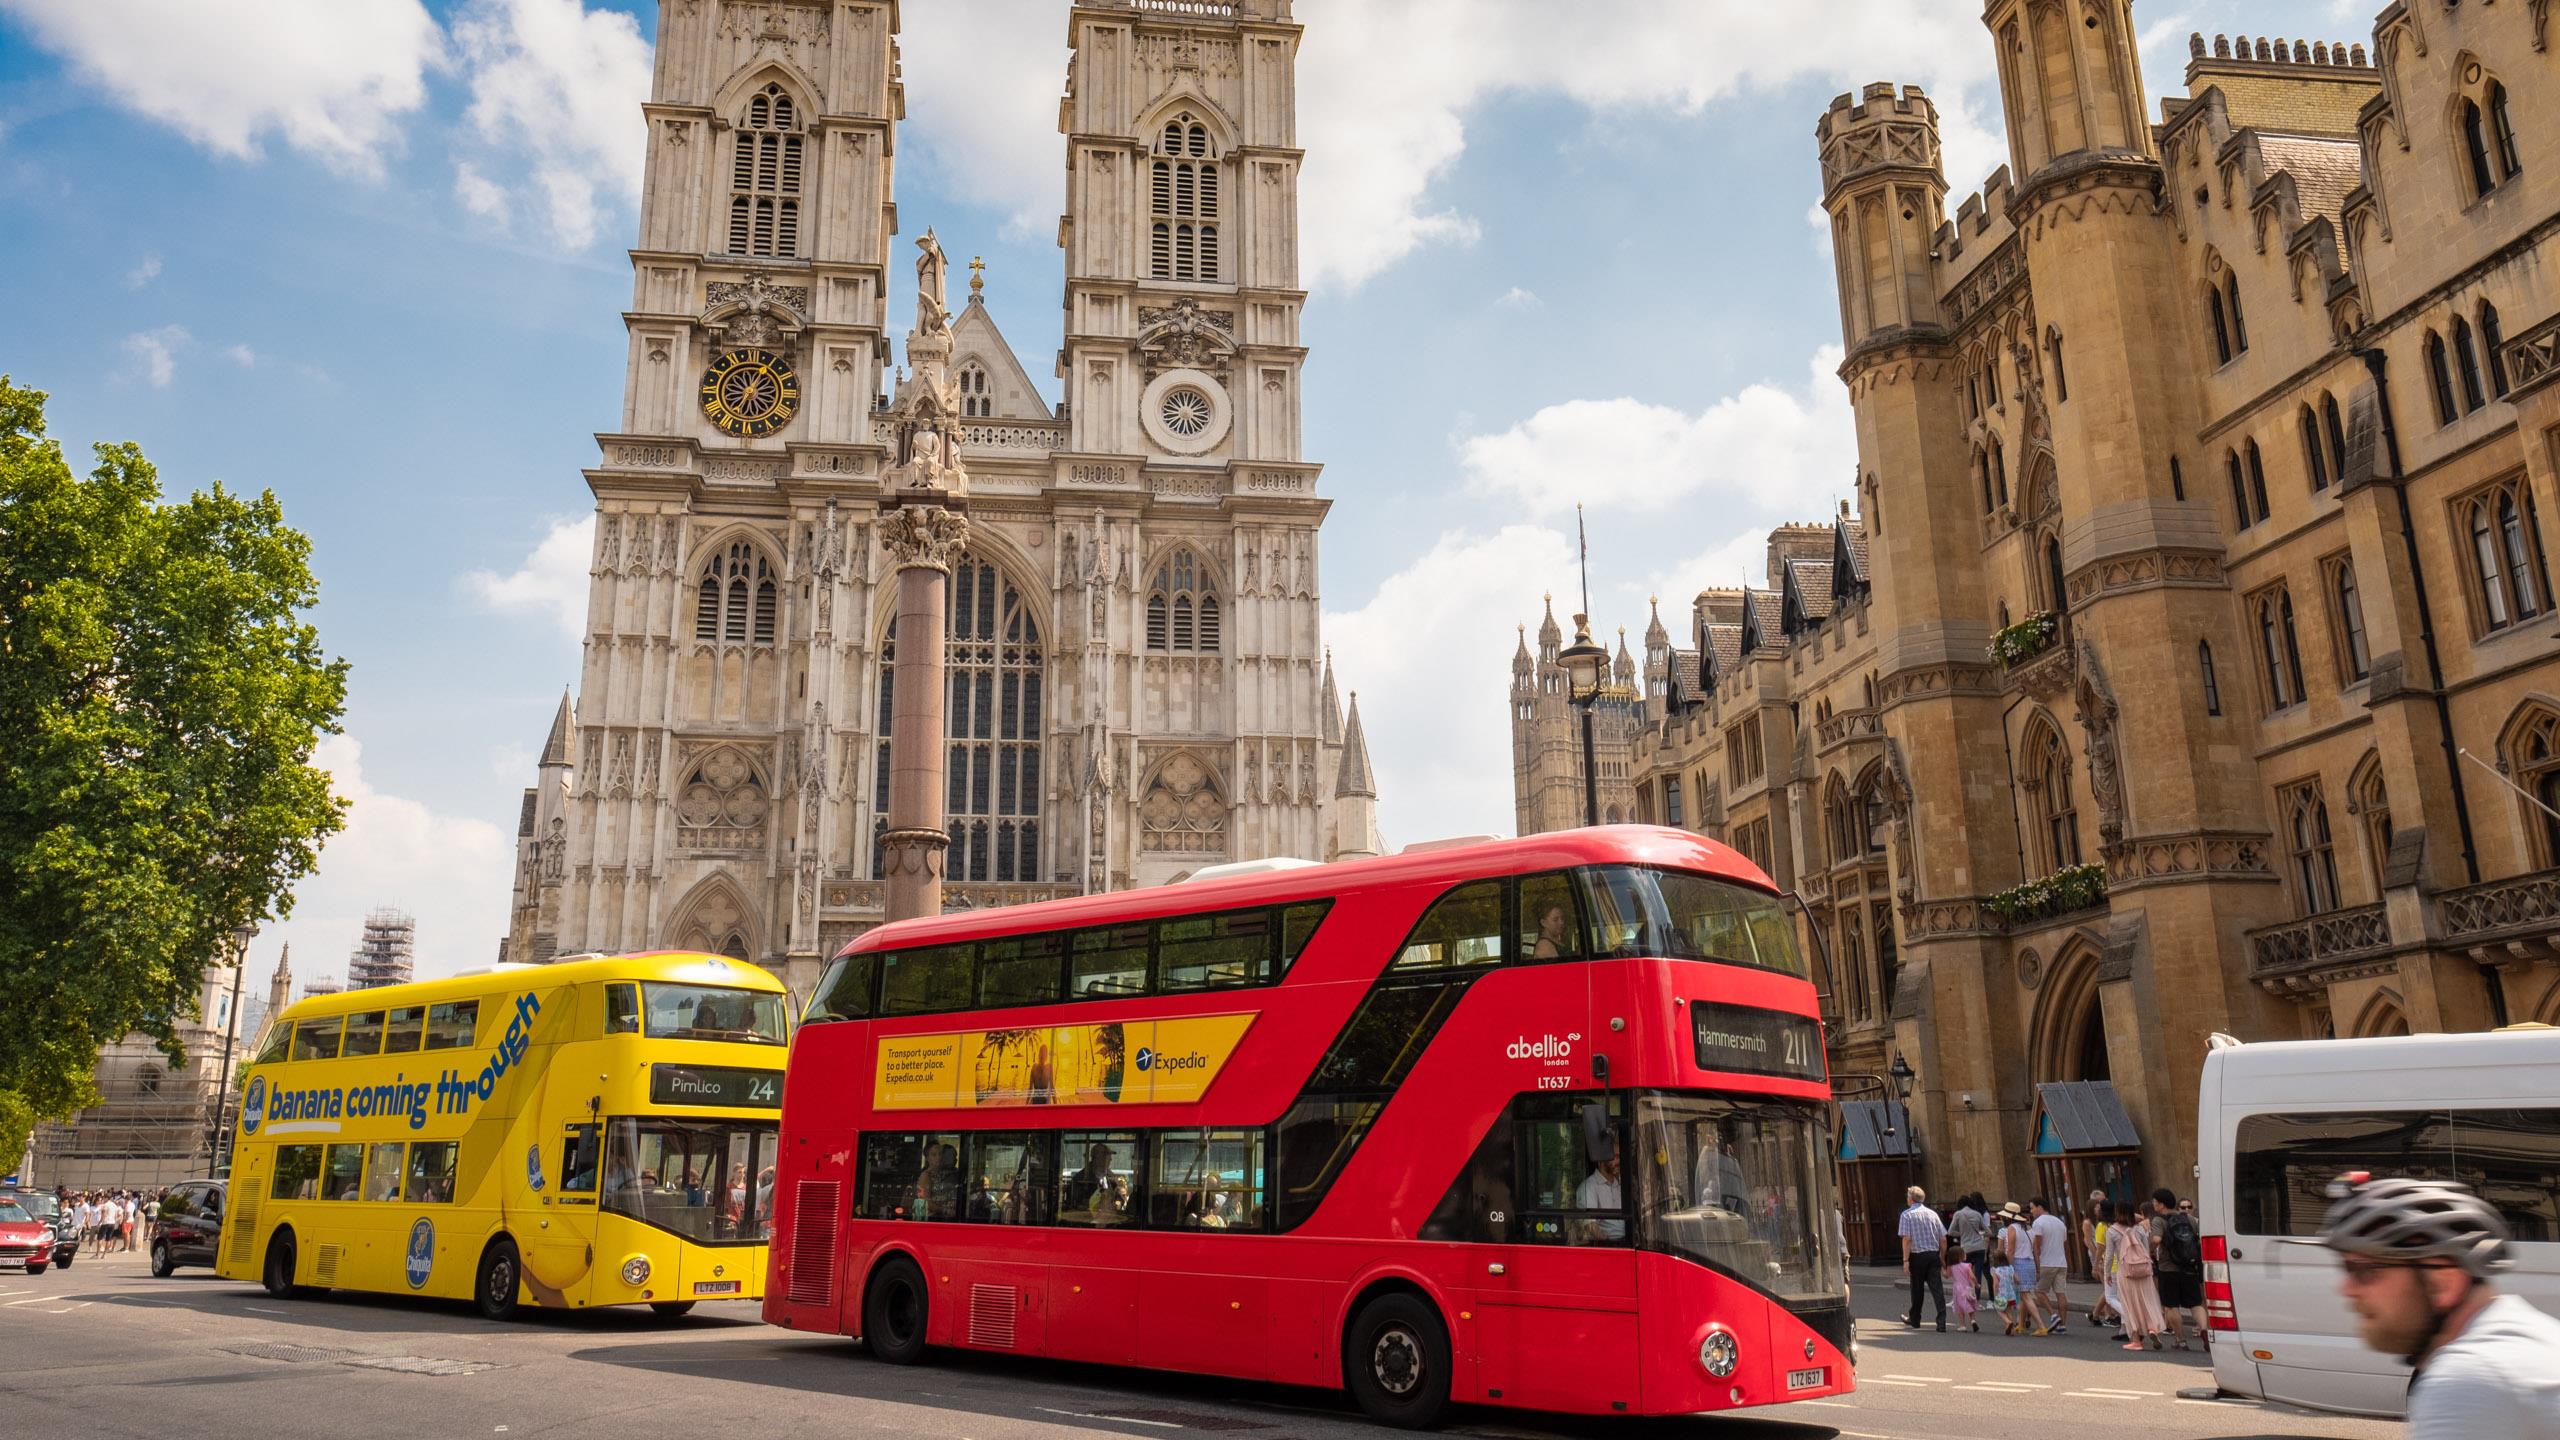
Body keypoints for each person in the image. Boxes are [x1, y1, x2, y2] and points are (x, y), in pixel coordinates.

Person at [2307, 1173, 2560, 1439]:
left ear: (2443, 1283)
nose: (2346, 1288)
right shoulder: (2530, 1332)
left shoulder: (2468, 1381)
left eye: (2364, 1270)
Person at [2150, 1187, 2208, 1349]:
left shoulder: (2159, 1220)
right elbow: (2197, 1238)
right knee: (2196, 1303)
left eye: (2155, 1202)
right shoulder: (2188, 1219)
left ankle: (2181, 1340)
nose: (2154, 1205)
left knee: (2171, 1305)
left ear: (2161, 1204)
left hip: (2168, 1268)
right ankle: (2204, 1330)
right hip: (2189, 1266)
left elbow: (2155, 1239)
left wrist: (2149, 1250)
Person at [2112, 1202, 2166, 1350]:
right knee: (2147, 1302)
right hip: (2143, 1270)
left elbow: (2110, 1257)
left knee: (2130, 1306)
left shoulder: (2112, 1231)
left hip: (2125, 1272)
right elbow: (2147, 1250)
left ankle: (2136, 1340)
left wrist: (2106, 1275)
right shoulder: (2140, 1230)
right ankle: (2152, 1328)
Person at [1896, 1185, 1948, 1332]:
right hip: (1932, 1254)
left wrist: (1905, 1260)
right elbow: (1943, 1238)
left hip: (1917, 1256)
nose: (1907, 1198)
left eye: (1907, 1196)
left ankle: (1915, 1319)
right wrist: (1941, 1256)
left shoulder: (1906, 1215)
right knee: (1937, 1288)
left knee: (1917, 1289)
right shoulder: (1933, 1214)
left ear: (1911, 1199)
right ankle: (1941, 1321)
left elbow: (1907, 1239)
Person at [1999, 1202, 2044, 1335]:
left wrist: (2007, 1267)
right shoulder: (2029, 1228)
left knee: (2024, 1295)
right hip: (2029, 1262)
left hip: (2018, 1263)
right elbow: (2035, 1251)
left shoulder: (2012, 1228)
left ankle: (2041, 1325)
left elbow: (2011, 1250)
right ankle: (2022, 1324)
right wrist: (2037, 1268)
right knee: (2023, 1295)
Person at [2027, 1197, 2070, 1335]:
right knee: (2060, 1293)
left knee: (2039, 1291)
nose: (2031, 1211)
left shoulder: (2038, 1223)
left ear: (2040, 1207)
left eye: (2032, 1207)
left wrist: (2037, 1265)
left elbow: (2037, 1246)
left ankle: (2053, 1315)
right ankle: (2062, 1324)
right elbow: (2064, 1242)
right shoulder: (2059, 1222)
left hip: (2047, 1262)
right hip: (2061, 1262)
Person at [1574, 1144, 1625, 1243]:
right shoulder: (1589, 1187)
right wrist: (1609, 1244)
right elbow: (1591, 1226)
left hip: (1628, 1243)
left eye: (1620, 1157)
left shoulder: (1620, 1185)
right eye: (1615, 1157)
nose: (1618, 1161)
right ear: (1601, 1159)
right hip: (1610, 1245)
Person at [1949, 1193, 1990, 1305]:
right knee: (1977, 1275)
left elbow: (1950, 1231)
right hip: (1980, 1248)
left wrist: (1962, 1233)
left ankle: (1964, 1297)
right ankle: (1977, 1299)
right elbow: (1988, 1232)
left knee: (1963, 1274)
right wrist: (1978, 1233)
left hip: (1966, 1248)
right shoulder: (1977, 1214)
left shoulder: (1958, 1214)